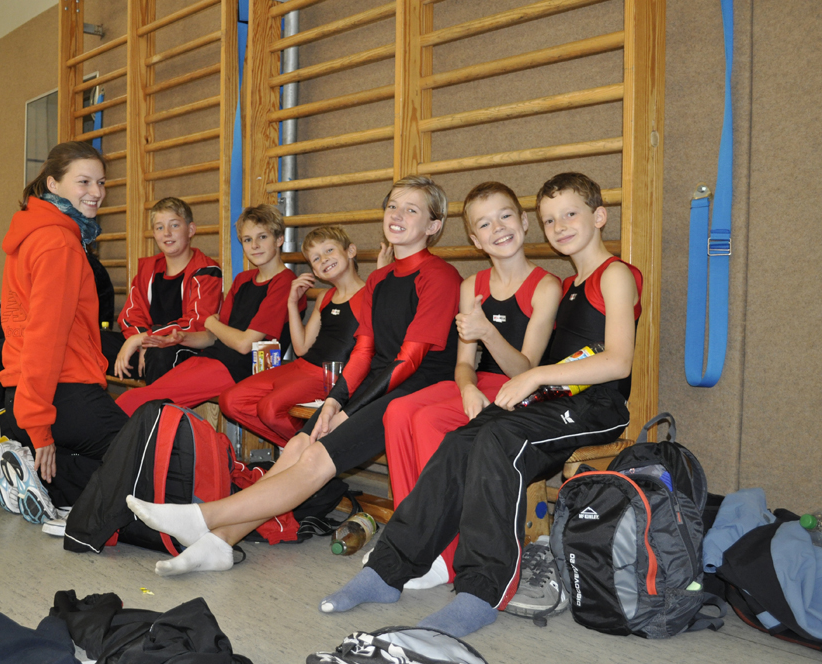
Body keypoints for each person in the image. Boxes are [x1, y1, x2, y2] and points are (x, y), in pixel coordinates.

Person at [319, 172, 643, 639]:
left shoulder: (614, 274)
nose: (560, 226)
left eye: (570, 214)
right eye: (551, 219)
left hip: (598, 405)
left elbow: (618, 361)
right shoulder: (574, 282)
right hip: (552, 399)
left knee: (497, 439)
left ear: (599, 216)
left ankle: (480, 592)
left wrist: (536, 375)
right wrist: (529, 381)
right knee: (459, 441)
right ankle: (387, 571)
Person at [125, 175, 462, 576]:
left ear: (434, 225)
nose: (398, 215)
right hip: (380, 382)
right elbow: (365, 352)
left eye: (412, 210)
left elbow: (410, 359)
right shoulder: (378, 280)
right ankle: (221, 542)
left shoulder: (440, 275)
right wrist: (335, 400)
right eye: (393, 206)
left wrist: (349, 411)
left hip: (419, 386)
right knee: (297, 446)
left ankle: (203, 518)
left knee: (315, 455)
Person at [380, 181, 561, 588]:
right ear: (476, 240)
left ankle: (444, 555)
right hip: (479, 384)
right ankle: (408, 538)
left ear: (524, 222)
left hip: (522, 390)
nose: (498, 228)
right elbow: (464, 364)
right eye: (485, 224)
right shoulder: (471, 286)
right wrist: (466, 387)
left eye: (505, 216)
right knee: (398, 411)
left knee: (429, 421)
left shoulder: (546, 286)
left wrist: (488, 333)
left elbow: (526, 369)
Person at [0, 141, 128, 525]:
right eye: (84, 182)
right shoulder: (59, 242)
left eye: (101, 182)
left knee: (113, 465)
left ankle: (41, 482)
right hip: (60, 397)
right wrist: (40, 426)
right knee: (150, 464)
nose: (96, 192)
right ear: (53, 184)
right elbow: (45, 338)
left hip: (23, 394)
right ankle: (43, 478)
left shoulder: (33, 231)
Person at [115, 205, 302, 415]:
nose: (255, 245)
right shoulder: (242, 280)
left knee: (136, 402)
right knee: (139, 399)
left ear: (279, 239)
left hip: (239, 369)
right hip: (212, 359)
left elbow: (244, 344)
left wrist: (211, 322)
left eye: (263, 237)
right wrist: (181, 338)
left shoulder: (284, 282)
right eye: (248, 240)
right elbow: (211, 338)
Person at [219, 226, 366, 446]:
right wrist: (291, 302)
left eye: (329, 250)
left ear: (350, 251)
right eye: (316, 258)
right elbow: (301, 348)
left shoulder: (370, 294)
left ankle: (316, 453)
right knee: (230, 401)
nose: (324, 259)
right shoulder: (325, 297)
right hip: (302, 367)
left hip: (329, 376)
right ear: (315, 272)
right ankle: (307, 450)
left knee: (270, 408)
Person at [111, 197, 222, 384]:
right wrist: (144, 342)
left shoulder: (207, 270)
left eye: (174, 225)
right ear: (154, 234)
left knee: (159, 354)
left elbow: (197, 323)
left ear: (191, 230)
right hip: (147, 347)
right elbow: (131, 316)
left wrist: (145, 339)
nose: (167, 233)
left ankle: (157, 403)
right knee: (91, 341)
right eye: (160, 227)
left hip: (188, 349)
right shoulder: (149, 270)